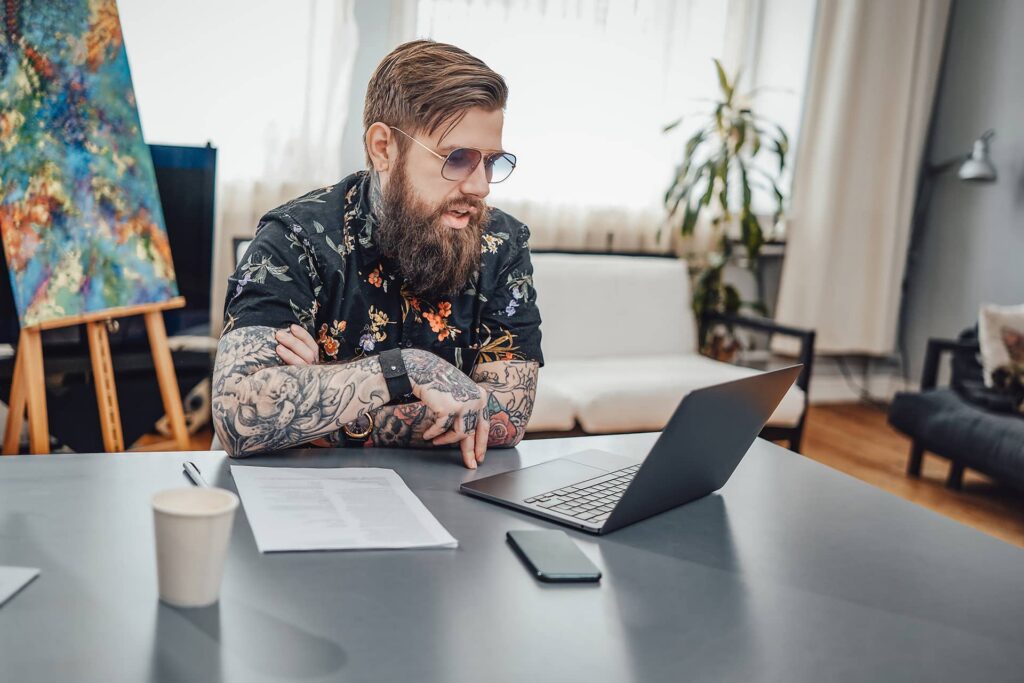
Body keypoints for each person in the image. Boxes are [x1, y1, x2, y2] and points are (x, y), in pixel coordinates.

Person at [211, 40, 543, 469]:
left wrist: (319, 396)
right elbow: (238, 419)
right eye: (456, 158)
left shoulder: (503, 242)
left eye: (491, 162)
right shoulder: (294, 238)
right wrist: (407, 368)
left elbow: (508, 417)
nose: (480, 186)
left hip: (454, 502)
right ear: (383, 147)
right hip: (314, 503)